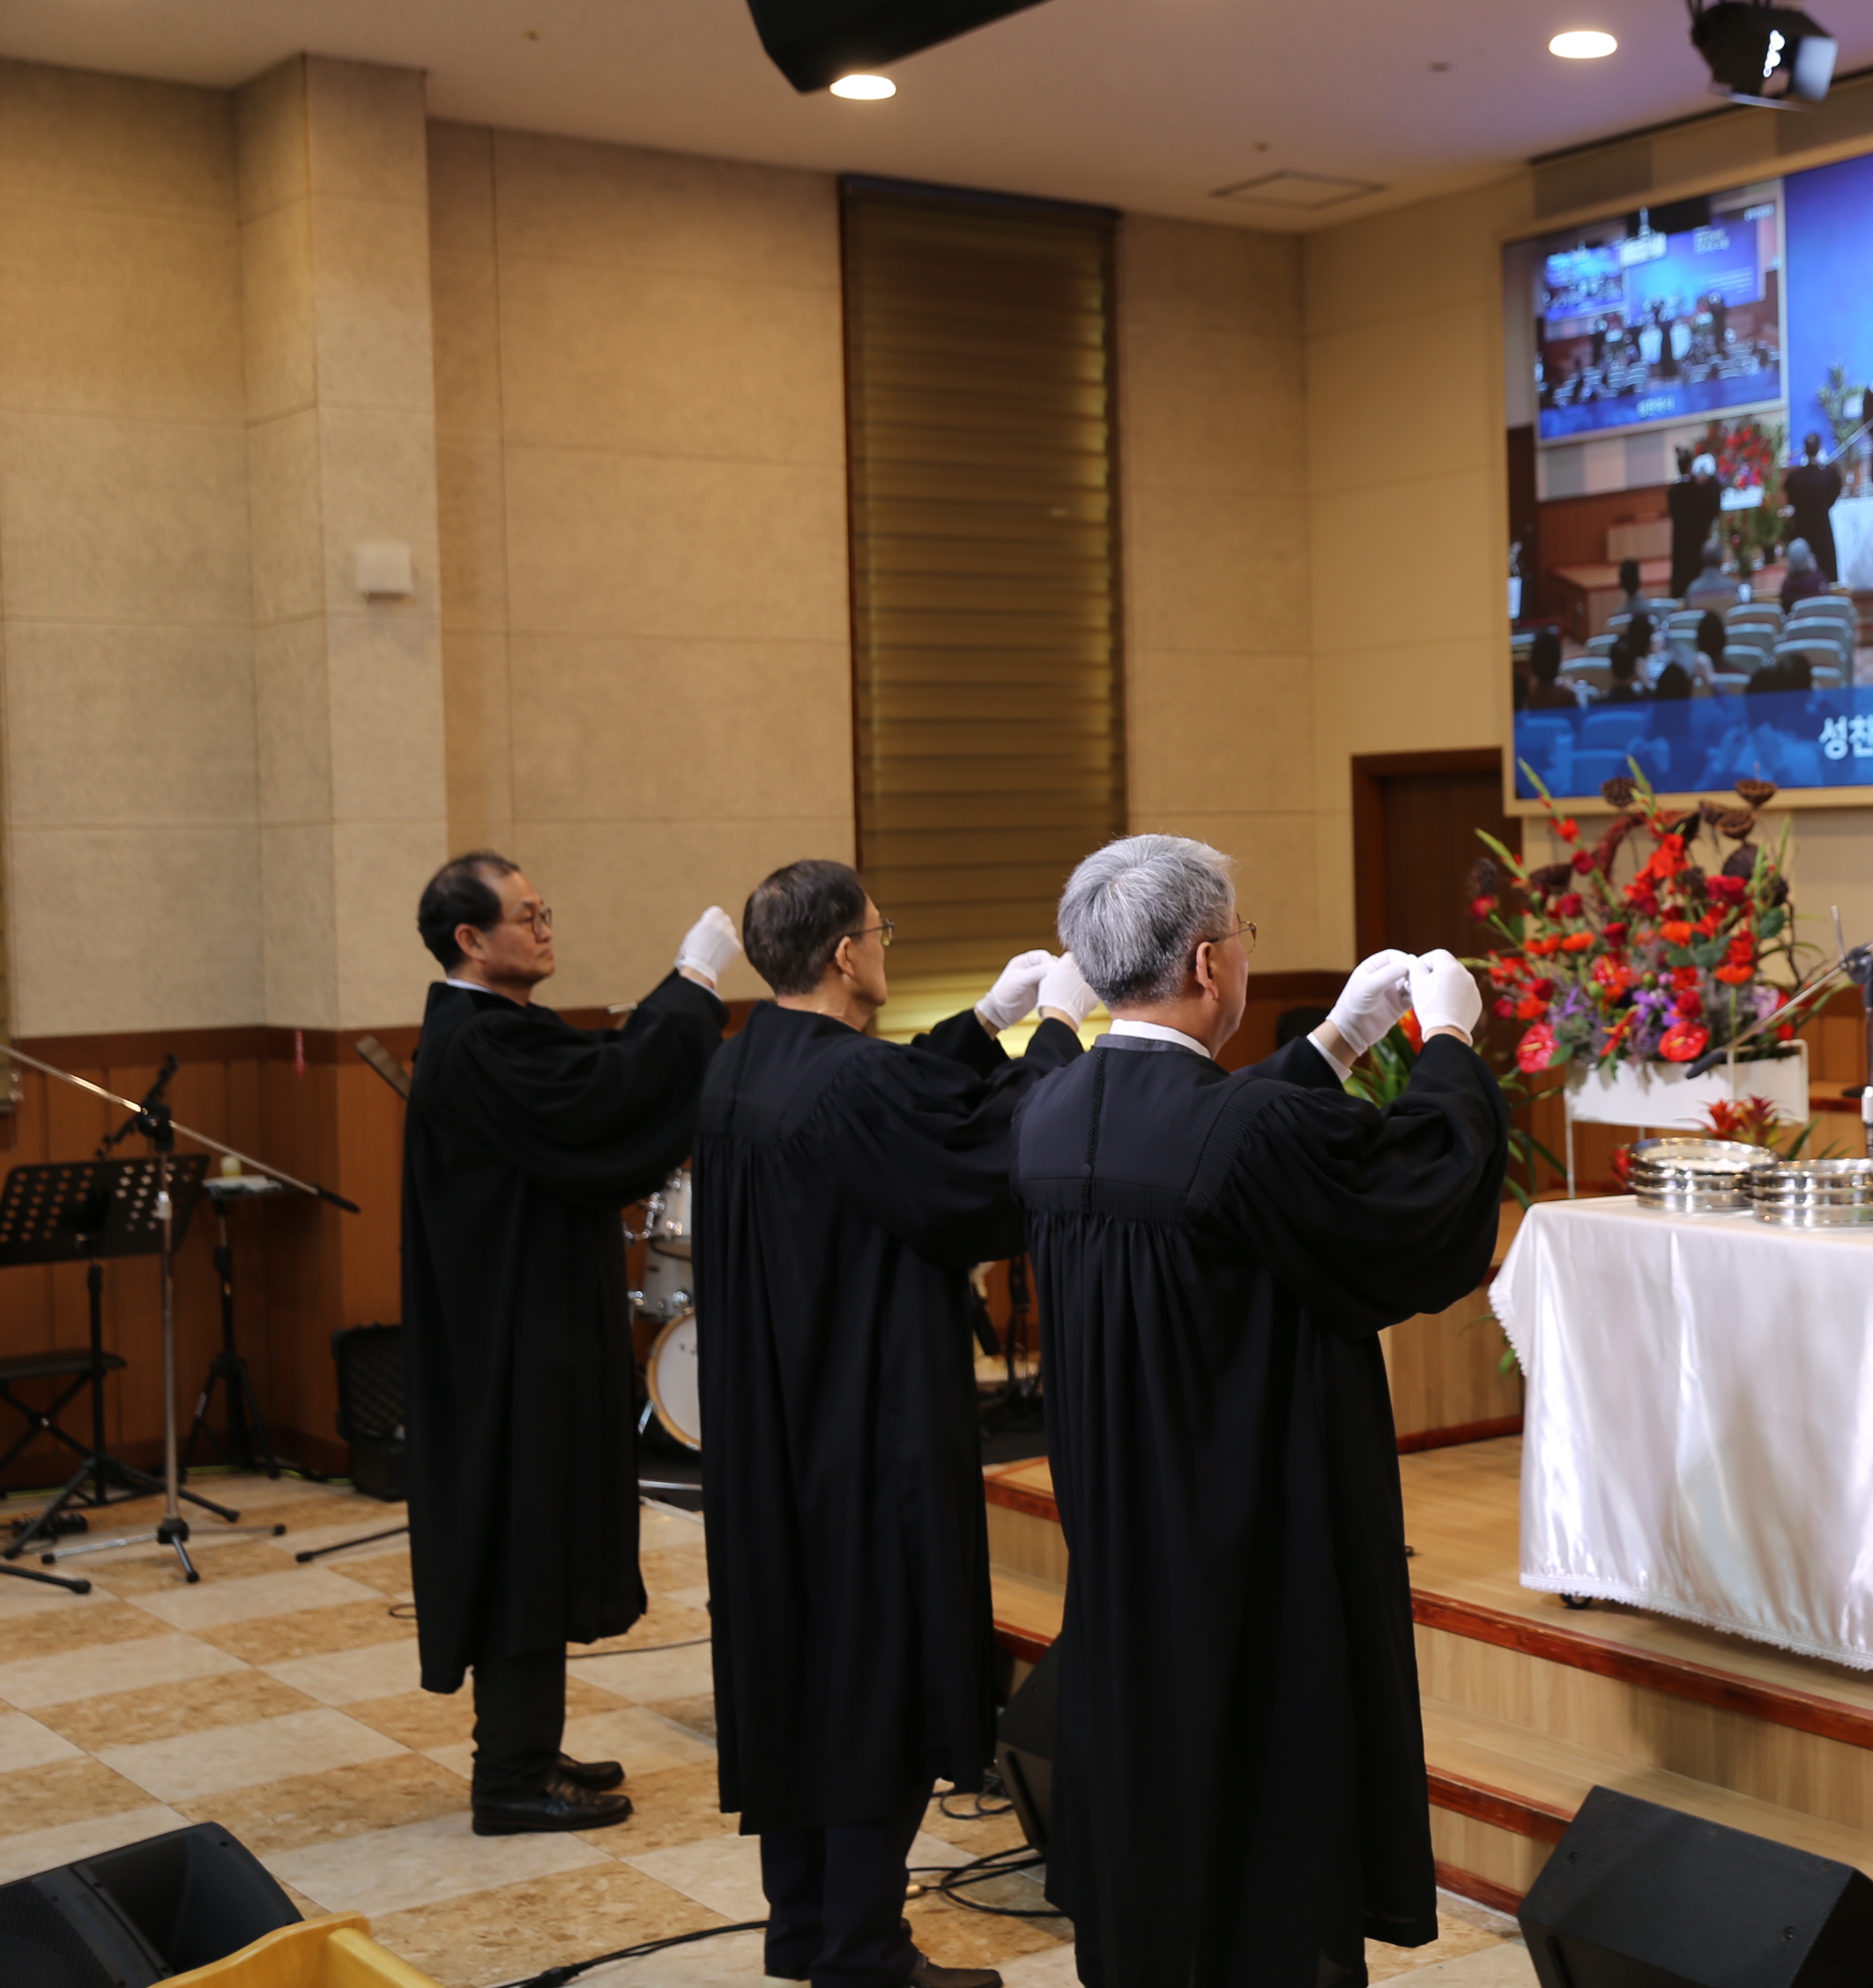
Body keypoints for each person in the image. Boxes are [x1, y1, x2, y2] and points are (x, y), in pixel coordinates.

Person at [1014, 838, 1507, 1988]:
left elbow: (1212, 1139)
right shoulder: (1240, 1133)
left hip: (1125, 1539)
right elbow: (1414, 1199)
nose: (1242, 951)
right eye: (1240, 933)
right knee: (1261, 1814)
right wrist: (1449, 1043)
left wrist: (1338, 1040)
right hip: (1251, 1544)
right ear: (1206, 962)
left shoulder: (1047, 1109)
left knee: (1154, 1801)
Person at [692, 864, 1094, 1988]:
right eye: (881, 930)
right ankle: (864, 1953)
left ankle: (805, 1926)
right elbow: (980, 1168)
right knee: (874, 1673)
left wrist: (984, 1021)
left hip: (773, 1429)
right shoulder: (850, 1080)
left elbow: (901, 1105)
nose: (885, 945)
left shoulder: (743, 1062)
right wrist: (1058, 1033)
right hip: (861, 1428)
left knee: (797, 1669)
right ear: (843, 954)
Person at [401, 855, 736, 1835]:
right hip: (507, 1344)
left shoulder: (499, 1031)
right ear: (471, 938)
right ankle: (509, 1776)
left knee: (540, 1531)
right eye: (527, 916)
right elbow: (605, 1098)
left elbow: (597, 1079)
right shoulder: (478, 1041)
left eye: (546, 911)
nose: (546, 928)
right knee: (522, 1536)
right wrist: (693, 983)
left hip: (528, 1324)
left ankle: (529, 1748)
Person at [1782, 432, 1842, 576]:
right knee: (1826, 567)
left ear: (1804, 450)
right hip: (1822, 526)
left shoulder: (1794, 477)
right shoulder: (1830, 474)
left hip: (1801, 526)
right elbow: (1834, 495)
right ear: (1820, 448)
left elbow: (1790, 498)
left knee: (1802, 568)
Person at [1666, 447, 1721, 598]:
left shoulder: (1672, 493)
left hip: (1680, 545)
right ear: (1691, 466)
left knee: (1681, 581)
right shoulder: (1700, 491)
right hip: (1698, 545)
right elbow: (1712, 510)